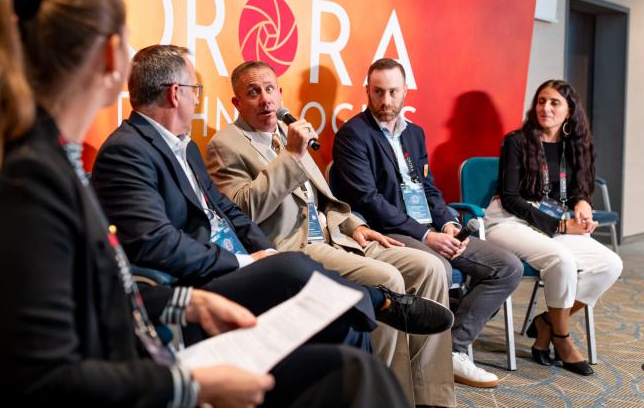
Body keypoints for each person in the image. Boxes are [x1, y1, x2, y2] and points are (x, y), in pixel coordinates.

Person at [0, 0, 407, 408]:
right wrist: (195, 385)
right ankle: (380, 302)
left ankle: (371, 303)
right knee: (349, 373)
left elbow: (100, 292)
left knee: (352, 368)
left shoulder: (49, 163)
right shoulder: (29, 186)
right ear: (110, 57)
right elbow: (48, 381)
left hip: (145, 351)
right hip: (142, 378)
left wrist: (188, 302)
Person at [90, 45, 452, 353]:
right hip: (198, 281)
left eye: (270, 90)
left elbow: (227, 211)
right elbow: (157, 244)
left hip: (256, 253)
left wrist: (262, 251)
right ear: (174, 93)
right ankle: (382, 301)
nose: (197, 98)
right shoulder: (128, 151)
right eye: (195, 88)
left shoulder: (185, 147)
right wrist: (241, 261)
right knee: (292, 266)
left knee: (350, 329)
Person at [205, 60, 455, 407]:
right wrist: (292, 155)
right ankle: (386, 395)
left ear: (280, 93)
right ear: (236, 103)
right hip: (294, 249)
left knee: (429, 268)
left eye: (269, 89)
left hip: (337, 236)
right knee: (388, 279)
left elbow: (322, 198)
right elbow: (243, 211)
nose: (265, 100)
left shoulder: (286, 132)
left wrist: (357, 225)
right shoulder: (227, 145)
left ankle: (432, 397)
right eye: (253, 92)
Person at [333, 58, 524, 389]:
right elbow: (368, 200)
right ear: (367, 90)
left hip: (432, 229)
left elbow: (428, 188)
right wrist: (425, 234)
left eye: (393, 92)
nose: (386, 101)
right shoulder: (354, 135)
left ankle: (453, 347)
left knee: (508, 267)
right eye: (378, 92)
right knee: (439, 267)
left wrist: (447, 223)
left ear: (406, 91)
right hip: (392, 232)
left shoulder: (415, 134)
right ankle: (440, 353)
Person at [484, 79, 623, 376]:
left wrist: (582, 205)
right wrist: (560, 225)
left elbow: (578, 191)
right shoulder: (517, 141)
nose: (545, 108)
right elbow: (510, 199)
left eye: (554, 103)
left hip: (552, 222)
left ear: (569, 110)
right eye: (541, 101)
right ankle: (561, 338)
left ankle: (547, 322)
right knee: (561, 260)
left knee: (610, 263)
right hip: (509, 220)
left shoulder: (575, 145)